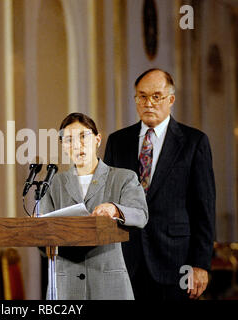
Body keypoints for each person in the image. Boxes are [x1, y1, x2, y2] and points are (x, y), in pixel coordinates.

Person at [104, 68, 216, 300]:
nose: (149, 103)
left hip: (176, 262)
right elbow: (106, 198)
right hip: (127, 261)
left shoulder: (194, 142)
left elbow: (204, 208)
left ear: (171, 100)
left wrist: (201, 264)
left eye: (157, 96)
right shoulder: (118, 142)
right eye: (142, 96)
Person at [40, 112, 148, 300]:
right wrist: (37, 230)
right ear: (64, 147)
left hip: (108, 282)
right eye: (69, 140)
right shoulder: (53, 184)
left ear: (98, 139)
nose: (77, 145)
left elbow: (140, 214)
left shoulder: (123, 177)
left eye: (83, 137)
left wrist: (115, 209)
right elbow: (43, 240)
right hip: (66, 284)